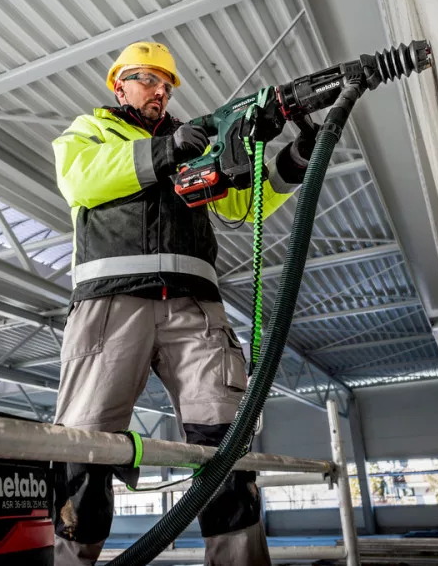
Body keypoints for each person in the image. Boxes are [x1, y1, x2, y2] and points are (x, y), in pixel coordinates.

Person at [50, 41, 314, 565]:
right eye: (148, 79)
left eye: (166, 85)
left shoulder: (192, 145)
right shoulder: (91, 130)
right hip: (111, 304)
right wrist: (166, 150)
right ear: (119, 85)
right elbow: (79, 178)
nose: (160, 91)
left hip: (195, 307)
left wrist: (297, 154)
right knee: (87, 440)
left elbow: (244, 204)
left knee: (225, 440)